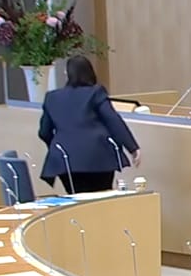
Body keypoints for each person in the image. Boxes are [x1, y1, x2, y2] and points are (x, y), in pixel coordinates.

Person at [37, 55, 140, 194]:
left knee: (77, 198)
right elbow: (113, 120)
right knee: (101, 198)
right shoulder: (96, 92)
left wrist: (58, 144)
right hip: (99, 156)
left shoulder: (52, 97)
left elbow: (44, 132)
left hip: (65, 158)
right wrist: (132, 147)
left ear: (67, 73)